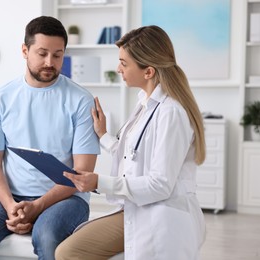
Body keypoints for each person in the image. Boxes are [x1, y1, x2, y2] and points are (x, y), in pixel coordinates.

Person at [55, 25, 206, 260]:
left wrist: (99, 182)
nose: (118, 69)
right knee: (67, 249)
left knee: (68, 253)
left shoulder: (171, 113)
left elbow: (160, 185)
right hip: (136, 206)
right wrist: (103, 135)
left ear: (148, 72)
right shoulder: (145, 102)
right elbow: (135, 155)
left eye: (124, 64)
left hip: (160, 214)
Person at [0, 16, 100, 260]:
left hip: (67, 199)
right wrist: (12, 207)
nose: (50, 62)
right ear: (25, 50)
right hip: (13, 196)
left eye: (57, 55)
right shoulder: (0, 99)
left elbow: (82, 171)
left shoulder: (80, 100)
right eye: (42, 53)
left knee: (47, 235)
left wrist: (38, 207)